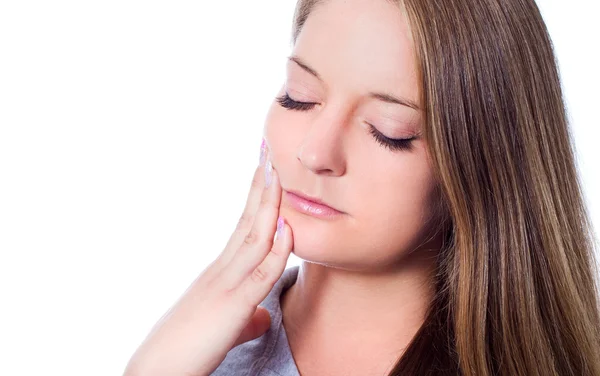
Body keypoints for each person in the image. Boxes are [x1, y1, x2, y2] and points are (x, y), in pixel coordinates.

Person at [123, 0, 600, 375]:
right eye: (299, 97)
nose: (315, 153)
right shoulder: (194, 355)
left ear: (481, 165)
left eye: (388, 130)